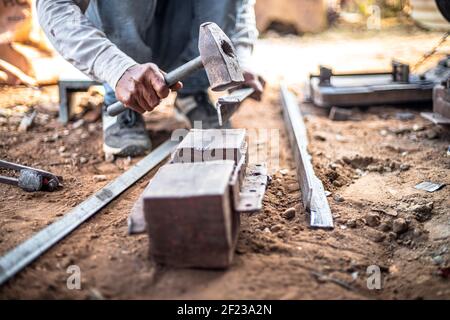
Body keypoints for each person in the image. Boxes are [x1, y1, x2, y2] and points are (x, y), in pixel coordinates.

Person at [36, 0, 265, 157]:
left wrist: (240, 58)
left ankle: (192, 92)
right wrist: (116, 67)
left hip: (175, 33)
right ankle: (125, 103)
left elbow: (240, 4)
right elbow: (55, 6)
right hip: (119, 42)